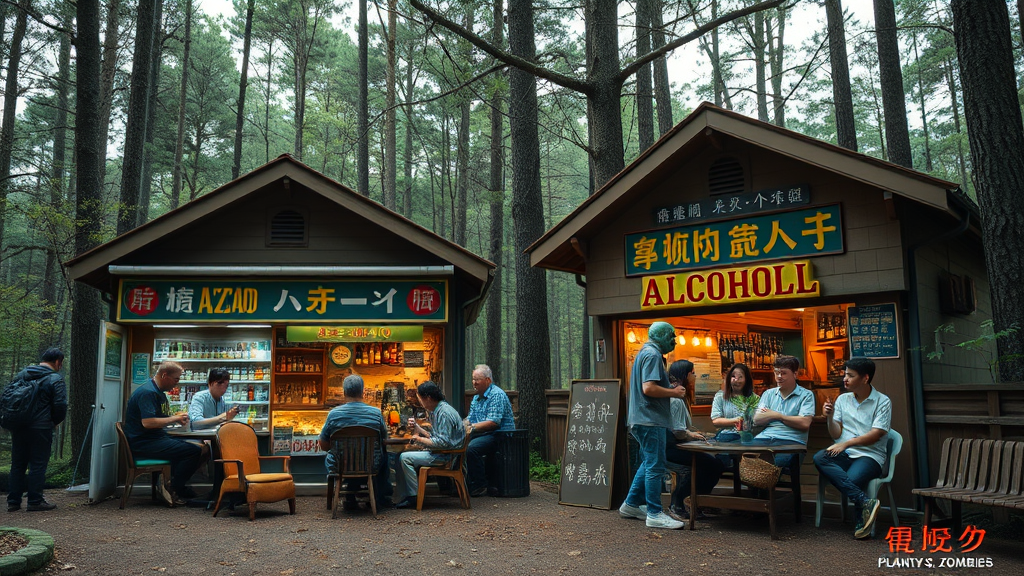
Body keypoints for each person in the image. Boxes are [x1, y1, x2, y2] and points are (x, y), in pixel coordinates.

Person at [619, 321, 687, 530]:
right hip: (650, 419)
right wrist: (674, 392)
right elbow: (648, 388)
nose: (674, 340)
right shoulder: (653, 354)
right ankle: (655, 513)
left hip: (642, 419)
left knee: (648, 463)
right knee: (656, 465)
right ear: (661, 336)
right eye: (671, 336)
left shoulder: (645, 353)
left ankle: (631, 505)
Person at [814, 357, 891, 540]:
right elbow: (836, 433)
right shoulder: (842, 399)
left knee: (852, 480)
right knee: (819, 457)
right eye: (845, 375)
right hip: (845, 453)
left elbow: (877, 434)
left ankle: (861, 518)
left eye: (850, 375)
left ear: (865, 378)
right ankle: (866, 502)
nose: (844, 379)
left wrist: (846, 443)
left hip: (870, 455)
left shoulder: (882, 401)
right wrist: (830, 417)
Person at [124, 361, 208, 505]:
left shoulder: (155, 391)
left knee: (203, 449)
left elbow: (158, 418)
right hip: (144, 443)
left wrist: (174, 418)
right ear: (164, 375)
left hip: (153, 439)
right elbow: (148, 422)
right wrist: (174, 418)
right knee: (193, 451)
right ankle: (173, 487)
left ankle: (172, 484)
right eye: (176, 379)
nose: (177, 383)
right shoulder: (148, 393)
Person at [318, 375, 392, 510]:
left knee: (337, 457)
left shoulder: (333, 414)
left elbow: (323, 445)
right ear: (363, 392)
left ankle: (350, 497)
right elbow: (383, 441)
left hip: (340, 465)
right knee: (385, 456)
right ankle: (378, 497)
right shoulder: (376, 413)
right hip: (371, 464)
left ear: (344, 392)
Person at [6, 348, 67, 512]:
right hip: (41, 426)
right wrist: (54, 421)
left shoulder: (22, 374)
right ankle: (35, 500)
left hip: (19, 424)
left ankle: (13, 501)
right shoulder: (55, 379)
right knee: (38, 464)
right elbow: (61, 405)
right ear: (57, 362)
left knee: (18, 464)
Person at [663, 360, 725, 520]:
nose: (695, 376)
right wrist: (692, 435)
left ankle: (698, 503)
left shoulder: (678, 395)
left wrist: (699, 433)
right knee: (711, 464)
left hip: (678, 447)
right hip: (671, 449)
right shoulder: (676, 399)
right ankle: (678, 504)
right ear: (685, 375)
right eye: (693, 373)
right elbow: (678, 431)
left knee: (714, 463)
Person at [395, 381, 466, 509]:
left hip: (445, 456)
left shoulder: (443, 413)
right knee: (402, 455)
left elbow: (443, 443)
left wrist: (418, 439)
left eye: (420, 399)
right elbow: (436, 436)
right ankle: (408, 494)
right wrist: (418, 428)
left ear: (428, 398)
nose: (420, 402)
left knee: (404, 458)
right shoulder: (439, 409)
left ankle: (413, 497)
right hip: (442, 452)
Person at [752, 355, 815, 473]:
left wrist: (776, 415)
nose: (779, 377)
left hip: (791, 441)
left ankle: (765, 491)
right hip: (764, 439)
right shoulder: (768, 394)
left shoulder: (806, 395)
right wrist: (790, 419)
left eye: (784, 373)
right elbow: (757, 419)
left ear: (795, 374)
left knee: (775, 465)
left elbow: (804, 423)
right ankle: (758, 491)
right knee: (747, 459)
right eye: (776, 373)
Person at [464, 364, 515, 497]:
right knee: (458, 444)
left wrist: (471, 428)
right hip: (484, 433)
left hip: (500, 435)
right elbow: (470, 418)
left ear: (488, 380)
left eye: (477, 379)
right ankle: (460, 484)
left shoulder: (496, 394)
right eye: (473, 379)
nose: (474, 383)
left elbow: (493, 423)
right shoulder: (476, 397)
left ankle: (479, 484)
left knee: (471, 448)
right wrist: (460, 426)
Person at [710, 363, 760, 431]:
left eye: (740, 377)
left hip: (747, 437)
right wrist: (737, 420)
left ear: (746, 380)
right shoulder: (720, 396)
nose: (736, 380)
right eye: (733, 376)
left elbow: (758, 419)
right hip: (726, 437)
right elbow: (716, 421)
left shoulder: (754, 398)